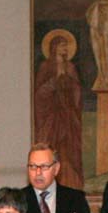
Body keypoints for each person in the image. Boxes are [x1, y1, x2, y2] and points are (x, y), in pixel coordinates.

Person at [34, 34, 84, 189]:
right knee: (53, 147)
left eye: (66, 46)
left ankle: (72, 184)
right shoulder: (46, 67)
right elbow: (40, 93)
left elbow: (77, 91)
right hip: (52, 116)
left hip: (68, 116)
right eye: (62, 45)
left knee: (69, 150)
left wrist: (69, 82)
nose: (65, 49)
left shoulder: (70, 67)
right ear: (54, 47)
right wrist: (54, 82)